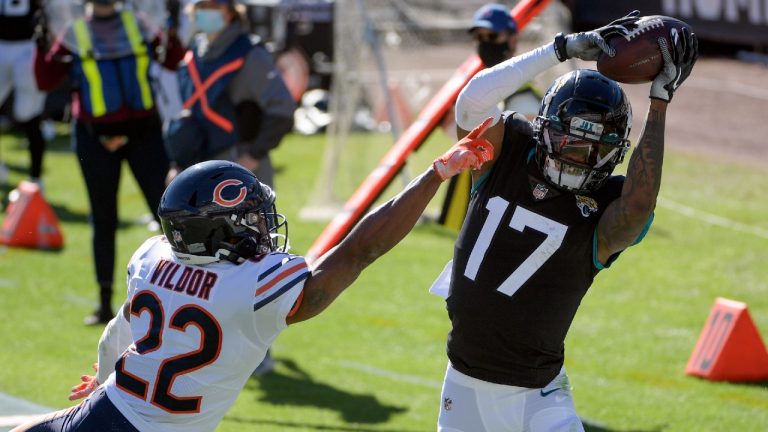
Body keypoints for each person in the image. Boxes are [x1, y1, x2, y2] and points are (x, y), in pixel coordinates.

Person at [11, 118, 495, 431]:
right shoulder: (255, 285)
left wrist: (100, 381)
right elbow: (360, 250)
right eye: (250, 218)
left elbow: (117, 335)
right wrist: (435, 174)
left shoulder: (152, 256)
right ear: (219, 229)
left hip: (106, 411)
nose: (262, 228)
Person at [434, 11, 698, 431]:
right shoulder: (510, 150)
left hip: (538, 394)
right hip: (462, 385)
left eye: (593, 147)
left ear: (614, 153)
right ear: (543, 128)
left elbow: (637, 209)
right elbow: (470, 106)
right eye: (569, 139)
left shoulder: (607, 202)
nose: (578, 155)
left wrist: (660, 100)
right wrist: (560, 49)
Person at [34, 0, 185, 325]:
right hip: (95, 137)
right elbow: (45, 80)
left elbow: (174, 60)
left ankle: (185, 298)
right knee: (103, 219)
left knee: (169, 214)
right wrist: (41, 40)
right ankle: (104, 304)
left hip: (143, 134)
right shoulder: (73, 32)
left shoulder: (140, 24)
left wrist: (170, 27)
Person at [164, 0, 296, 189]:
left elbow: (283, 109)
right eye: (203, 7)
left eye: (215, 6)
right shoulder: (192, 55)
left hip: (241, 169)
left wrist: (253, 155)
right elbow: (191, 117)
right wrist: (178, 164)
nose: (208, 12)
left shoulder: (250, 54)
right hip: (199, 170)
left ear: (231, 11)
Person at [0, 0, 47, 185]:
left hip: (28, 47)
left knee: (28, 113)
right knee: (29, 115)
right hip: (2, 45)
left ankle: (36, 178)